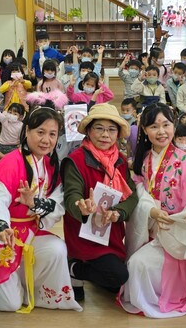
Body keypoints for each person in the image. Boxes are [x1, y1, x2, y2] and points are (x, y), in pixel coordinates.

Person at [0, 106, 82, 313]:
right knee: (10, 304)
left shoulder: (50, 165)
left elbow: (58, 202)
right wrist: (1, 226)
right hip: (0, 235)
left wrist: (34, 204)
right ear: (27, 131)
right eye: (40, 132)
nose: (46, 140)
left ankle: (31, 289)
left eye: (52, 134)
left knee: (57, 249)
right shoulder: (9, 163)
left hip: (28, 230)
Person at [119, 103, 186, 318]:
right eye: (153, 126)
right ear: (144, 131)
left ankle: (164, 296)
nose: (161, 132)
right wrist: (151, 212)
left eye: (166, 125)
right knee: (132, 265)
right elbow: (141, 194)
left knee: (137, 265)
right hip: (152, 231)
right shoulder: (145, 161)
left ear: (174, 126)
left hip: (176, 233)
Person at [61, 103, 139, 301]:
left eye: (111, 129)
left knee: (115, 284)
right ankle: (75, 266)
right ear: (88, 131)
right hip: (83, 235)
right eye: (99, 128)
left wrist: (118, 212)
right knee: (119, 276)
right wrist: (82, 207)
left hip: (110, 234)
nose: (106, 135)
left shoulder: (119, 160)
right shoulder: (75, 160)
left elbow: (132, 196)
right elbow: (71, 196)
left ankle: (83, 269)